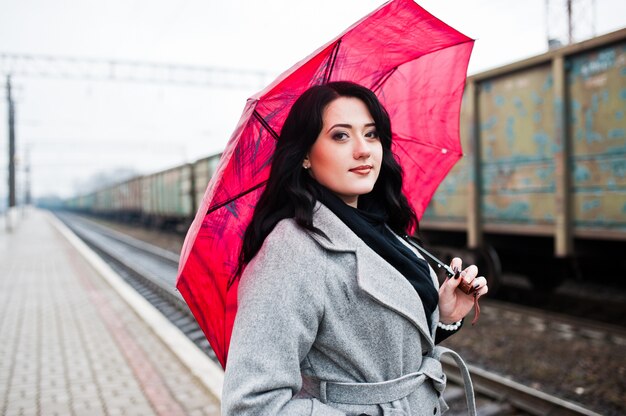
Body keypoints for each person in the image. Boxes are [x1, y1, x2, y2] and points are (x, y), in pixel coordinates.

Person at [222, 81, 488, 416]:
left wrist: (445, 317)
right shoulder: (290, 251)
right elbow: (251, 405)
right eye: (340, 136)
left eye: (372, 134)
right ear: (304, 154)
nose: (363, 149)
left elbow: (375, 351)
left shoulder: (381, 228)